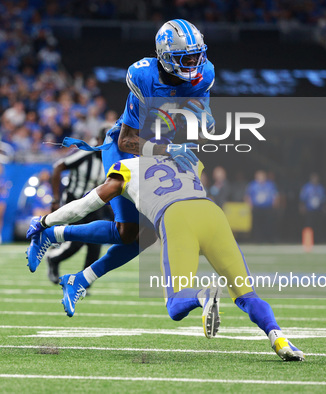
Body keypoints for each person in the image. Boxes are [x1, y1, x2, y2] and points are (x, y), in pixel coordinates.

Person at [27, 156, 304, 362]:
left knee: (174, 305)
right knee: (246, 294)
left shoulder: (125, 166)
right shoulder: (188, 156)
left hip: (177, 218)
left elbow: (86, 205)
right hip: (212, 213)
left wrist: (46, 221)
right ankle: (279, 338)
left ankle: (202, 295)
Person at [26, 20, 214, 290]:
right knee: (119, 198)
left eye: (197, 55)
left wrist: (205, 123)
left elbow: (202, 127)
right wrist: (169, 149)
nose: (195, 62)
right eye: (186, 57)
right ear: (165, 57)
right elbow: (127, 141)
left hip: (160, 151)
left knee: (133, 235)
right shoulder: (144, 77)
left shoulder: (204, 74)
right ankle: (47, 227)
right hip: (125, 147)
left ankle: (69, 261)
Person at [45, 128, 106, 284]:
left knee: (96, 244)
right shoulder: (85, 153)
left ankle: (83, 282)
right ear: (98, 140)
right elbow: (58, 166)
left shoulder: (111, 156)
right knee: (75, 243)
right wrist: (55, 199)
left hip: (96, 204)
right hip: (76, 202)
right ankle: (53, 258)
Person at [245, 170, 279, 243]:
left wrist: (275, 205)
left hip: (268, 208)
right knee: (257, 225)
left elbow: (275, 195)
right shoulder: (253, 185)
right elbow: (248, 196)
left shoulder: (270, 185)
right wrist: (249, 205)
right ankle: (258, 239)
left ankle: (269, 239)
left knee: (269, 224)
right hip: (257, 208)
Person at [299, 173, 326, 242]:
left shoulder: (320, 188)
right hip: (309, 210)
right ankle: (308, 240)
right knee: (308, 225)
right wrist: (302, 207)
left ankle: (318, 239)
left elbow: (324, 199)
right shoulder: (307, 187)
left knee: (318, 225)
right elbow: (302, 198)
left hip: (318, 210)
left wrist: (324, 207)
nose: (315, 180)